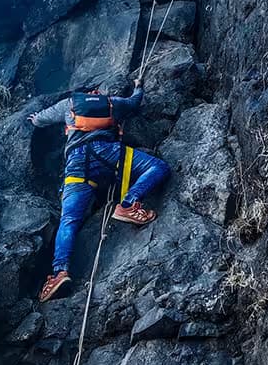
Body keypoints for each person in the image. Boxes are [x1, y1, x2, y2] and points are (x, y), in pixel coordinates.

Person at [28, 78, 171, 302]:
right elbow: (134, 103)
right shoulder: (111, 103)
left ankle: (59, 272)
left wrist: (34, 118)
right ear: (96, 93)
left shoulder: (69, 104)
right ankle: (128, 204)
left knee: (69, 220)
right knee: (157, 166)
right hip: (108, 153)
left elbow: (41, 120)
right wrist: (139, 85)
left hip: (76, 163)